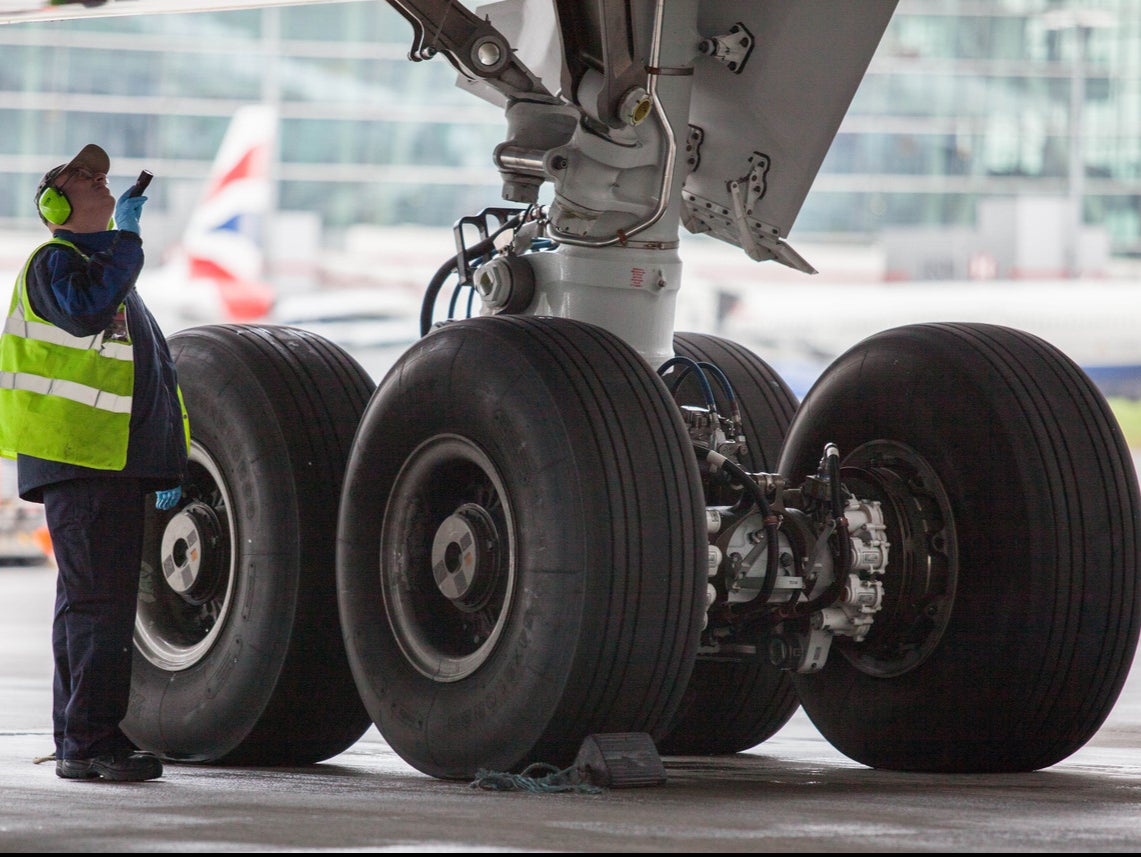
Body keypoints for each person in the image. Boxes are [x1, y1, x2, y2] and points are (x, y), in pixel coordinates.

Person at [0, 144, 189, 782]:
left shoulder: (100, 268)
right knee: (99, 608)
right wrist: (127, 239)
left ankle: (80, 738)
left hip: (107, 463)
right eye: (83, 177)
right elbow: (86, 311)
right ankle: (91, 744)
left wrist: (163, 463)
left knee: (89, 605)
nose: (100, 180)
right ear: (56, 206)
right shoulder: (56, 263)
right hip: (82, 462)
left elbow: (149, 378)